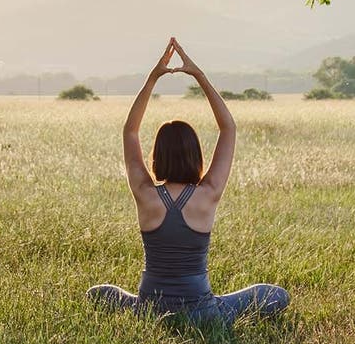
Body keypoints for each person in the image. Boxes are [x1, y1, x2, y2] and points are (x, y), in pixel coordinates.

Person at [87, 37, 290, 326]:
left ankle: (146, 311)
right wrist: (198, 75)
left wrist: (153, 77)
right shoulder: (208, 193)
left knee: (98, 293)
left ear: (157, 156)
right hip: (203, 313)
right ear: (196, 155)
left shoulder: (144, 193)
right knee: (276, 295)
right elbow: (228, 128)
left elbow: (130, 131)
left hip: (149, 310)